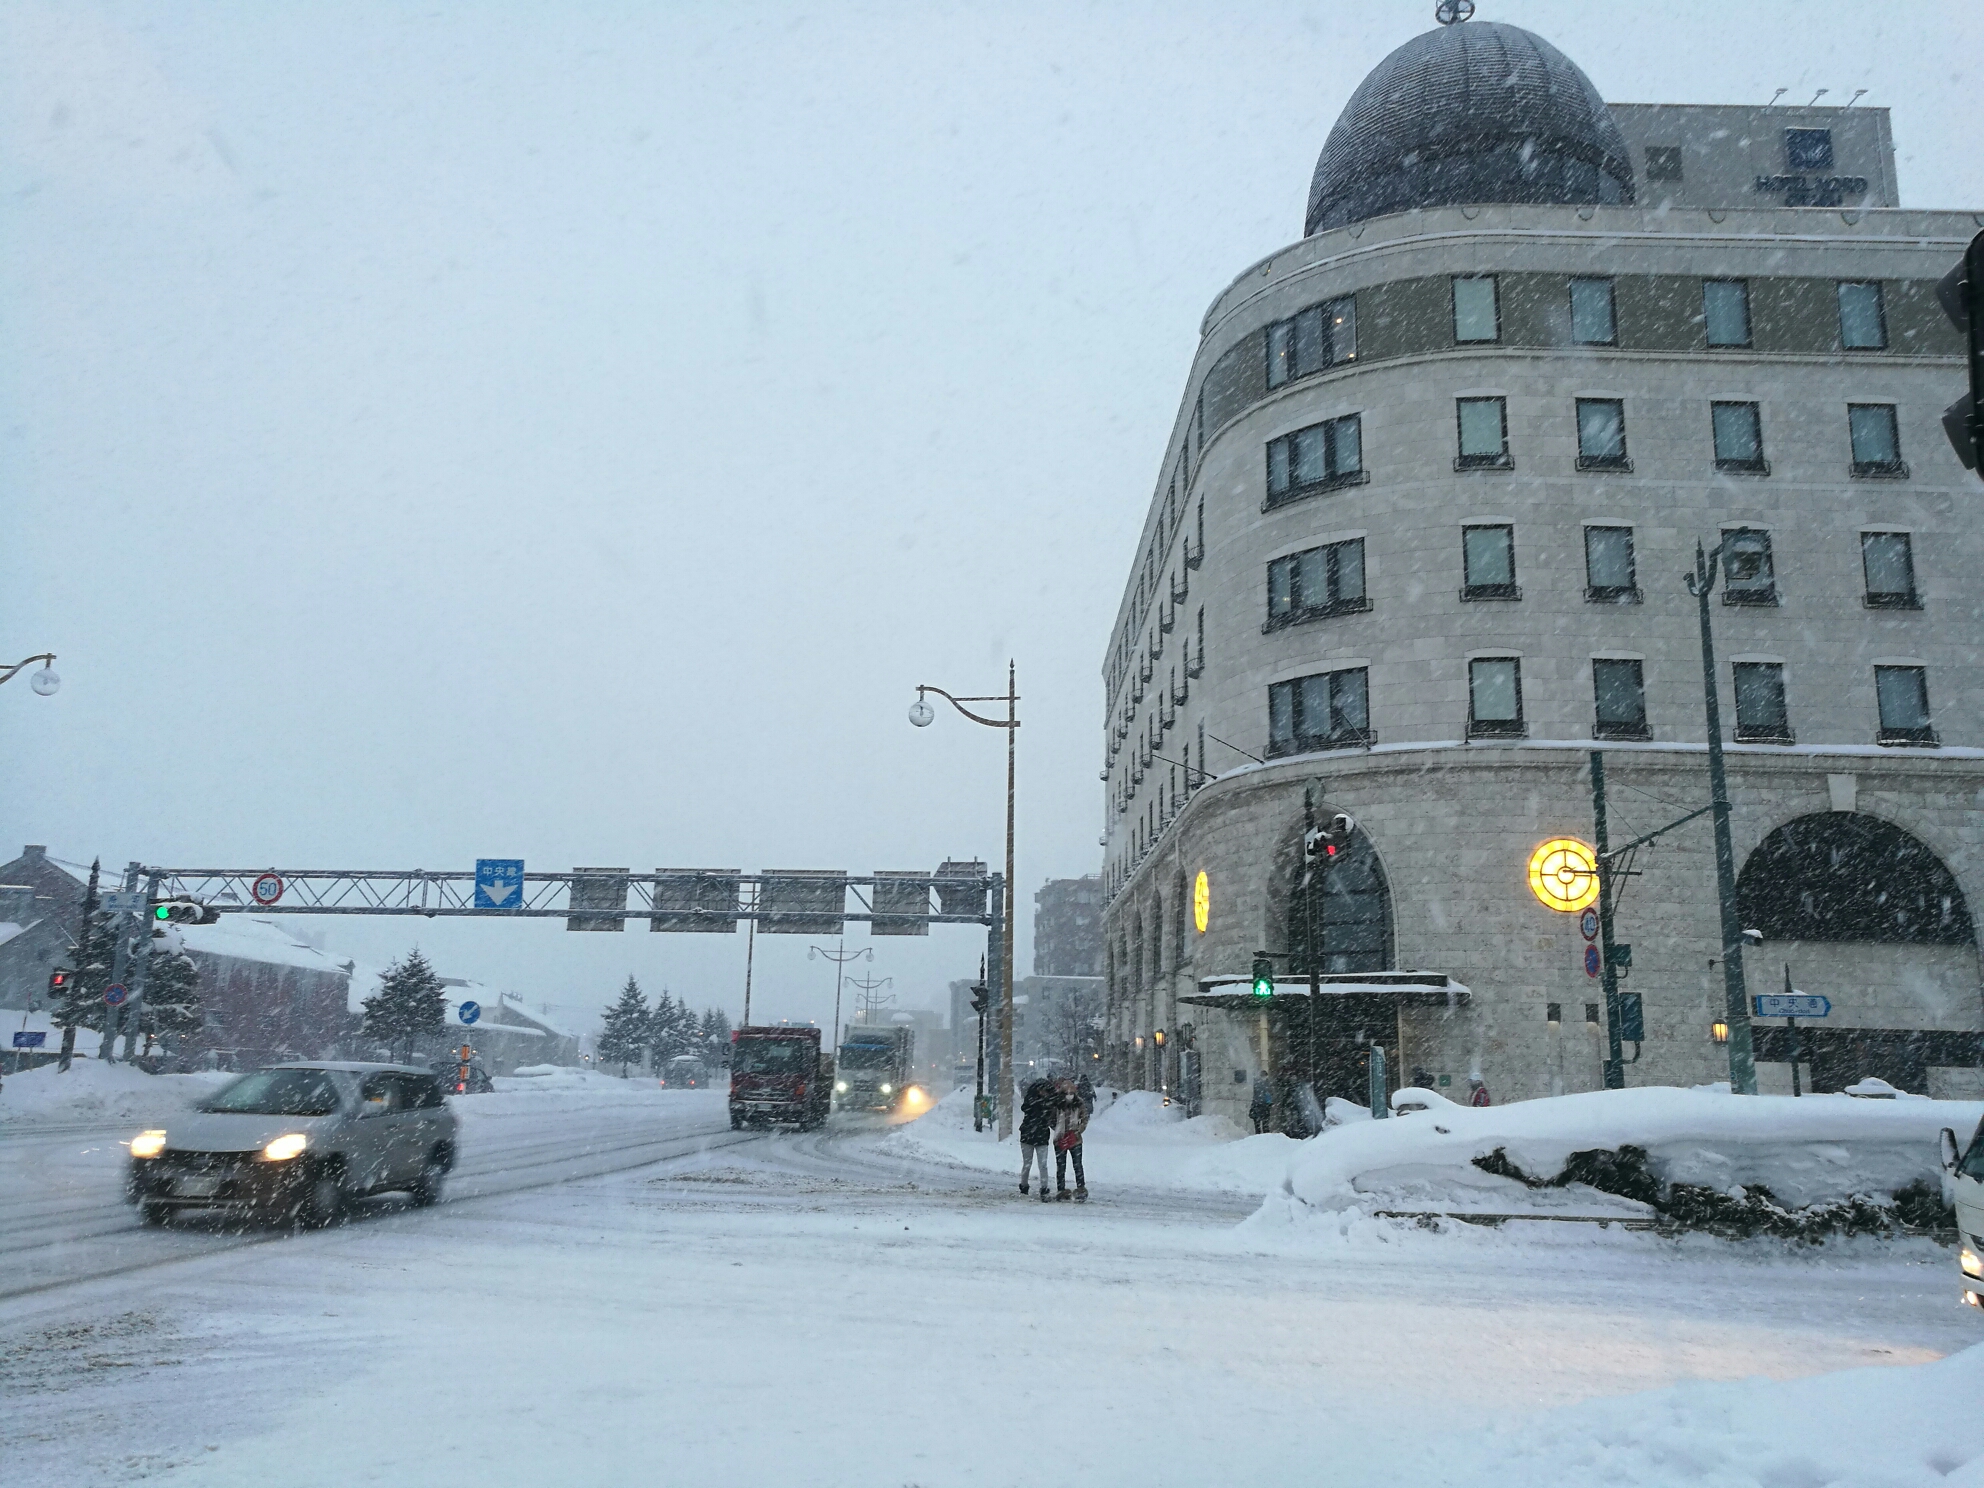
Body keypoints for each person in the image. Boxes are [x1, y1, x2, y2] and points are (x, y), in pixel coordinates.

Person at [1018, 1075, 1056, 1200]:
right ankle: (1027, 1186)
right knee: (1029, 1164)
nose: (1043, 1092)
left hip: (1035, 1135)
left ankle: (1041, 1187)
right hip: (1034, 1135)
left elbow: (1051, 1120)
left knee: (1040, 1164)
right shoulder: (1033, 1102)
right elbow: (1028, 1110)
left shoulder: (1044, 1103)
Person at [1052, 1076, 1089, 1202]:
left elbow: (1085, 1118)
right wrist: (1058, 1129)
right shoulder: (1056, 1103)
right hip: (1060, 1138)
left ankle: (1081, 1188)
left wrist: (1078, 1131)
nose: (1069, 1095)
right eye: (1067, 1093)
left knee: (1077, 1164)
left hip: (1075, 1138)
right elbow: (1051, 1118)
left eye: (1071, 1093)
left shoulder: (1079, 1103)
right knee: (1061, 1166)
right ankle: (1061, 1189)